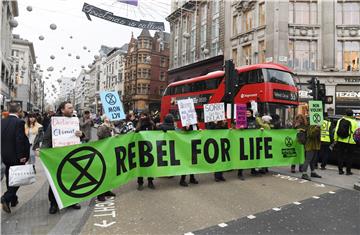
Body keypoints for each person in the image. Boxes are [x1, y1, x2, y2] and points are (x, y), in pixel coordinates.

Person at [41, 101, 84, 214]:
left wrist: (81, 134)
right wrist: (44, 153)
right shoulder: (55, 122)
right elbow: (46, 139)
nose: (72, 109)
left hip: (72, 155)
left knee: (72, 179)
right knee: (55, 180)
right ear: (62, 110)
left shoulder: (75, 121)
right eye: (69, 108)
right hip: (57, 156)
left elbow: (82, 137)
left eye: (72, 107)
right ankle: (53, 204)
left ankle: (71, 201)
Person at [1, 102, 30, 213]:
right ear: (19, 110)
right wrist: (22, 156)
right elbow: (19, 140)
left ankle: (13, 200)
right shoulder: (19, 122)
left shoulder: (2, 121)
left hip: (5, 155)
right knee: (18, 178)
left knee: (10, 177)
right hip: (16, 156)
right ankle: (6, 197)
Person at [96, 115, 116, 201]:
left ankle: (107, 190)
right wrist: (106, 127)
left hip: (110, 151)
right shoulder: (102, 127)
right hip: (104, 151)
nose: (109, 119)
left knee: (109, 172)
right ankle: (100, 194)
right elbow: (99, 135)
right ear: (104, 119)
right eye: (107, 118)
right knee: (103, 173)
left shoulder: (111, 127)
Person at [334, 109, 358, 175]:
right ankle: (348, 171)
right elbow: (356, 133)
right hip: (350, 142)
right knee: (349, 157)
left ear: (345, 114)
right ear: (352, 114)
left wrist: (335, 139)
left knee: (340, 156)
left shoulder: (340, 120)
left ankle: (340, 170)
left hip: (340, 141)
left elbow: (336, 131)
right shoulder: (354, 122)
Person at [136, 112, 156, 190]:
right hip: (141, 148)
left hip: (150, 149)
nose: (143, 117)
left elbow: (156, 133)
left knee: (150, 166)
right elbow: (135, 134)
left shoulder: (151, 124)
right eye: (142, 116)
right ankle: (140, 183)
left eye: (144, 115)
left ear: (147, 116)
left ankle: (150, 182)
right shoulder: (139, 125)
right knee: (141, 166)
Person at [238, 109, 259, 180]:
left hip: (252, 140)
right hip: (244, 141)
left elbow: (257, 128)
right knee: (243, 157)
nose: (247, 113)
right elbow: (237, 129)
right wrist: (240, 128)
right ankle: (240, 173)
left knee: (253, 156)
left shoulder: (255, 120)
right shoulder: (241, 119)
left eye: (249, 112)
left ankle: (253, 170)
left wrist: (261, 129)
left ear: (251, 113)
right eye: (246, 112)